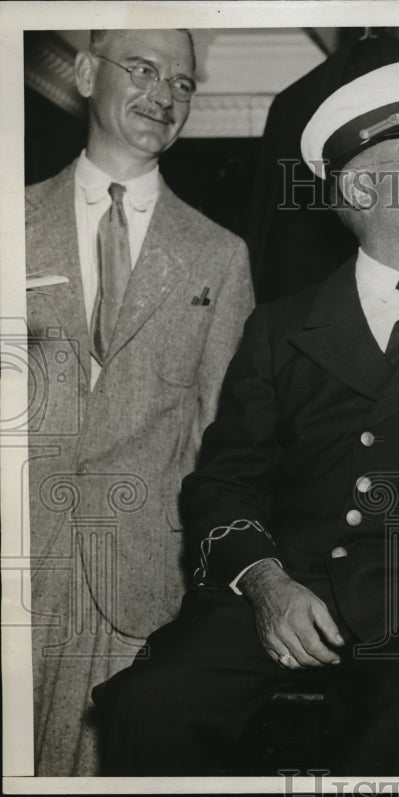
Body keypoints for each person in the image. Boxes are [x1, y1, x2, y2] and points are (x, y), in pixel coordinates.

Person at [92, 60, 399, 776]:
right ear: (359, 187)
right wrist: (266, 584)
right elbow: (223, 484)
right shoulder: (281, 328)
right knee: (151, 702)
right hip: (295, 587)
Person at [24, 28, 254, 776]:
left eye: (183, 83)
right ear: (87, 72)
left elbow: (223, 441)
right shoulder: (8, 224)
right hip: (18, 572)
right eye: (144, 70)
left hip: (141, 583)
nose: (164, 94)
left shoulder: (220, 254)